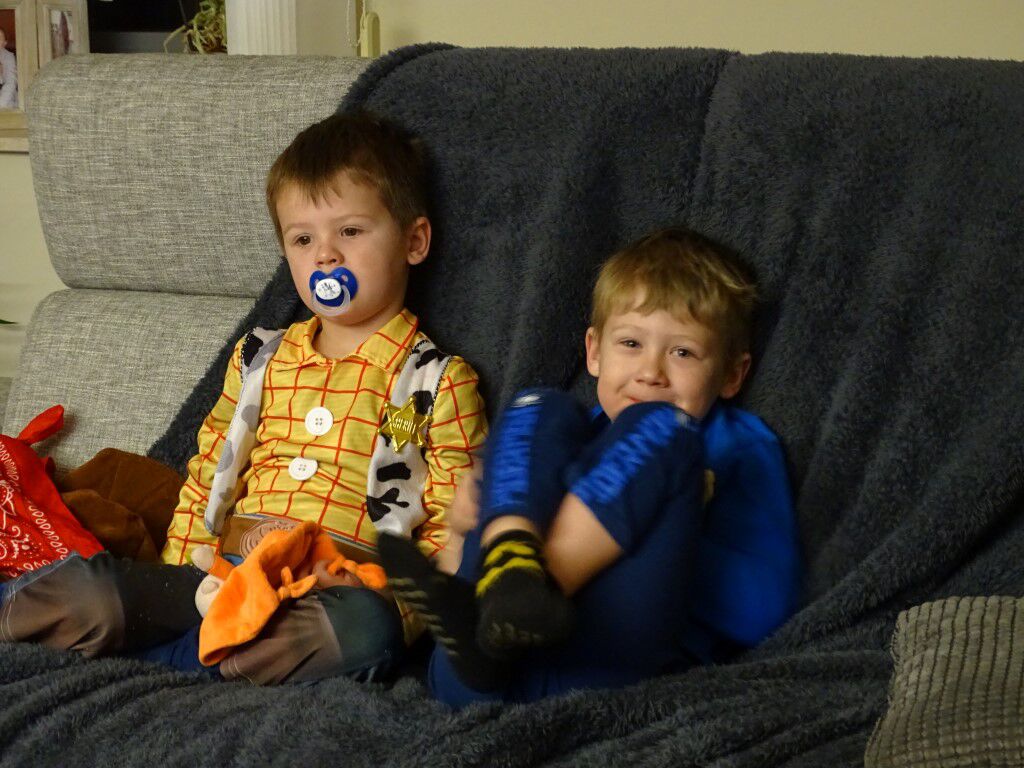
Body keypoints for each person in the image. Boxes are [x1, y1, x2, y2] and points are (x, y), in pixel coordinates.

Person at [0, 112, 487, 685]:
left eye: (350, 232)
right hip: (219, 574)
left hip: (329, 590)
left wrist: (395, 605)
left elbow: (449, 530)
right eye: (303, 239)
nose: (325, 256)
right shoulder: (260, 357)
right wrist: (181, 572)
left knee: (366, 630)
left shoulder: (438, 381)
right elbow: (208, 470)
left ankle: (181, 664)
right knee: (94, 588)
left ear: (413, 241)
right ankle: (187, 649)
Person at [379, 227, 802, 707]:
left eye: (682, 352)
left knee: (665, 428)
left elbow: (765, 610)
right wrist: (458, 535)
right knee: (537, 405)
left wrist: (667, 527)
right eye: (631, 343)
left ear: (731, 373)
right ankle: (509, 574)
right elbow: (455, 572)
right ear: (594, 352)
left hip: (603, 661)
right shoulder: (565, 436)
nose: (651, 372)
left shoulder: (737, 447)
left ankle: (525, 591)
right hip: (476, 675)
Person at [0, 27, 18, 109]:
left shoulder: (9, 57)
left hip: (5, 101)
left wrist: (1, 104)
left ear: (4, 43)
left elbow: (11, 82)